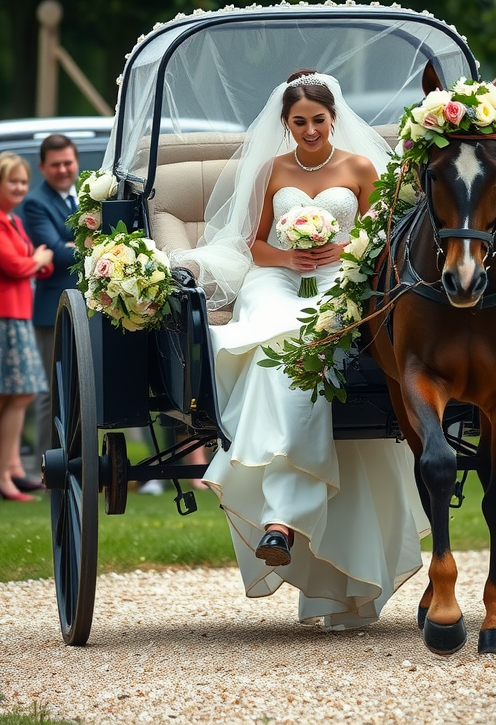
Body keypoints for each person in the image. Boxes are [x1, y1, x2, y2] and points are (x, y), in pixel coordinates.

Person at [170, 70, 428, 630]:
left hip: (344, 277)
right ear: (285, 125)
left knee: (300, 348)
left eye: (318, 119)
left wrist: (338, 250)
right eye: (298, 122)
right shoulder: (273, 170)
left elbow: (382, 241)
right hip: (277, 280)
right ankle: (283, 517)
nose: (309, 130)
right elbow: (256, 245)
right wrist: (289, 258)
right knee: (276, 342)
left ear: (334, 118)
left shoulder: (361, 169)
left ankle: (280, 518)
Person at [21, 134, 79, 473]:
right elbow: (55, 253)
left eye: (67, 162)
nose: (62, 169)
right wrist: (89, 243)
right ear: (42, 167)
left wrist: (71, 242)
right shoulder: (35, 202)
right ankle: (47, 466)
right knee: (50, 392)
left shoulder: (83, 196)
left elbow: (63, 247)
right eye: (55, 164)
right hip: (50, 311)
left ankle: (77, 460)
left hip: (88, 308)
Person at [0, 152, 54, 501]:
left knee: (21, 393)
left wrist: (36, 262)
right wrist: (35, 261)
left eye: (23, 181)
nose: (20, 188)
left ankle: (10, 470)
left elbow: (36, 264)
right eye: (12, 182)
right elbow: (17, 265)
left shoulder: (13, 222)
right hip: (5, 317)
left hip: (19, 315)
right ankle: (6, 473)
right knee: (14, 395)